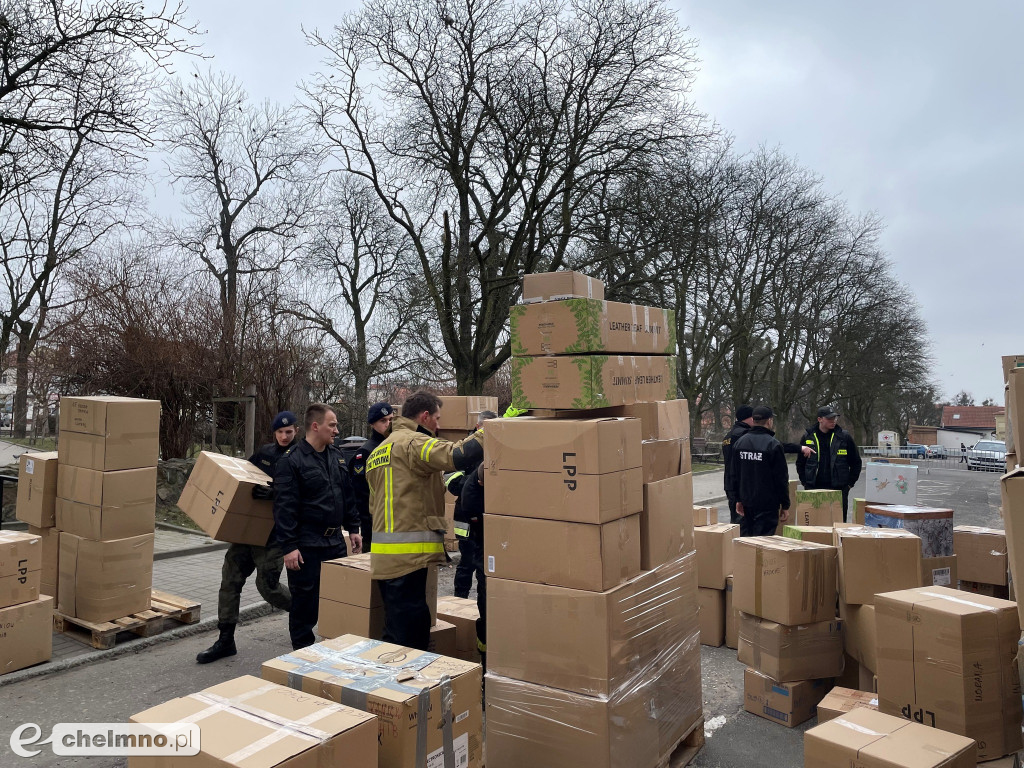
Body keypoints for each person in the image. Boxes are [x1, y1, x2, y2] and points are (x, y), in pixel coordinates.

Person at [366, 390, 483, 651]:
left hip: (386, 559)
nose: (439, 425)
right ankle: (401, 689)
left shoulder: (379, 452)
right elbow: (456, 455)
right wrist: (490, 431)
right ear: (425, 416)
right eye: (437, 419)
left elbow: (374, 506)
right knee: (409, 639)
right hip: (407, 559)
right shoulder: (412, 443)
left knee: (398, 627)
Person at [196, 410, 297, 664]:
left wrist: (276, 494)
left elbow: (306, 495)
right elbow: (243, 476)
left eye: (289, 431)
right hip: (247, 531)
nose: (284, 436)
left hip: (273, 535)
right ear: (274, 433)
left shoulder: (300, 456)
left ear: (296, 431)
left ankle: (302, 612)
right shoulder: (264, 454)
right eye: (280, 432)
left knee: (268, 587)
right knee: (230, 579)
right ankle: (225, 640)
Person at [273, 403, 362, 650]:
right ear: (315, 426)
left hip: (334, 544)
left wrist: (353, 528)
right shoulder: (292, 461)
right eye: (332, 425)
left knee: (336, 601)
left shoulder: (337, 456)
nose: (336, 430)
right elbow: (284, 508)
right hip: (306, 545)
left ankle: (330, 652)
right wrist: (289, 547)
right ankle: (303, 658)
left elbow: (348, 495)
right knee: (305, 605)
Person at [723, 404, 814, 523]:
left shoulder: (729, 436)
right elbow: (776, 450)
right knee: (754, 531)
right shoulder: (746, 436)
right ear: (750, 418)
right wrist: (799, 448)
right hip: (751, 491)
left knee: (739, 527)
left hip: (734, 487)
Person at [446, 410, 497, 599]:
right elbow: (450, 480)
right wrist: (472, 483)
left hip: (487, 514)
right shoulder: (463, 450)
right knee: (467, 563)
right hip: (465, 517)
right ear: (478, 427)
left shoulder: (497, 447)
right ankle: (460, 601)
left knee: (485, 564)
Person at [796, 406, 863, 522]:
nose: (834, 421)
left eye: (835, 418)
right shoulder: (808, 436)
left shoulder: (844, 437)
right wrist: (805, 483)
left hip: (838, 490)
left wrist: (849, 484)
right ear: (820, 419)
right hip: (814, 489)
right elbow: (800, 463)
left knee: (838, 524)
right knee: (815, 525)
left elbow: (856, 462)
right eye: (830, 419)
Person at [732, 406, 791, 537]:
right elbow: (781, 478)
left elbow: (735, 475)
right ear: (769, 421)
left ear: (753, 420)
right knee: (763, 543)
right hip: (767, 503)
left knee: (747, 540)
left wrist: (738, 499)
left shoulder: (740, 443)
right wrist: (785, 505)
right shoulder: (773, 445)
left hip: (747, 501)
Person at [347, 402, 396, 552]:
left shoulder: (397, 446)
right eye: (383, 421)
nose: (388, 424)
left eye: (391, 420)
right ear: (372, 424)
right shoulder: (365, 453)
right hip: (374, 526)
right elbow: (360, 495)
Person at [455, 462, 488, 662]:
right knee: (468, 568)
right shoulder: (471, 492)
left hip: (488, 541)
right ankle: (485, 659)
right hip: (476, 537)